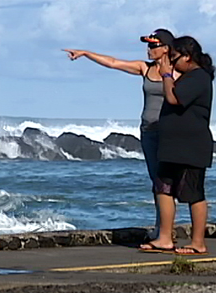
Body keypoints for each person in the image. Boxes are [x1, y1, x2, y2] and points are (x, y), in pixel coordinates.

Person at [63, 29, 178, 241]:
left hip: (169, 133)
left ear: (166, 48)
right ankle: (160, 228)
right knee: (156, 182)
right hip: (148, 131)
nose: (149, 49)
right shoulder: (145, 68)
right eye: (148, 45)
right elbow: (114, 62)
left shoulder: (178, 71)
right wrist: (87, 53)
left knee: (168, 182)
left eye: (153, 46)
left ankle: (166, 232)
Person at [139, 36, 216, 255]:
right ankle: (164, 237)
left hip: (191, 145)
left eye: (174, 59)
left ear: (188, 57)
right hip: (171, 144)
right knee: (162, 188)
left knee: (193, 193)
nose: (171, 63)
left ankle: (198, 242)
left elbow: (173, 99)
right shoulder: (185, 77)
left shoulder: (198, 77)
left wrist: (165, 75)